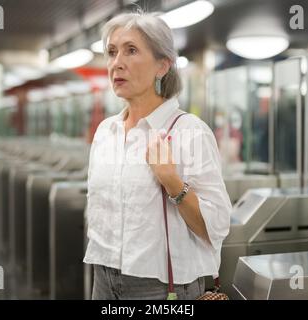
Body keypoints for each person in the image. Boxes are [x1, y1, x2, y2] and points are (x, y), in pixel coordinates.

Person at [83, 11, 232, 300]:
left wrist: (171, 181)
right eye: (112, 52)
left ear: (162, 65)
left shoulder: (190, 132)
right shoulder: (106, 132)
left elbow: (216, 227)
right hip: (103, 279)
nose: (117, 63)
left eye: (131, 50)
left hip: (161, 288)